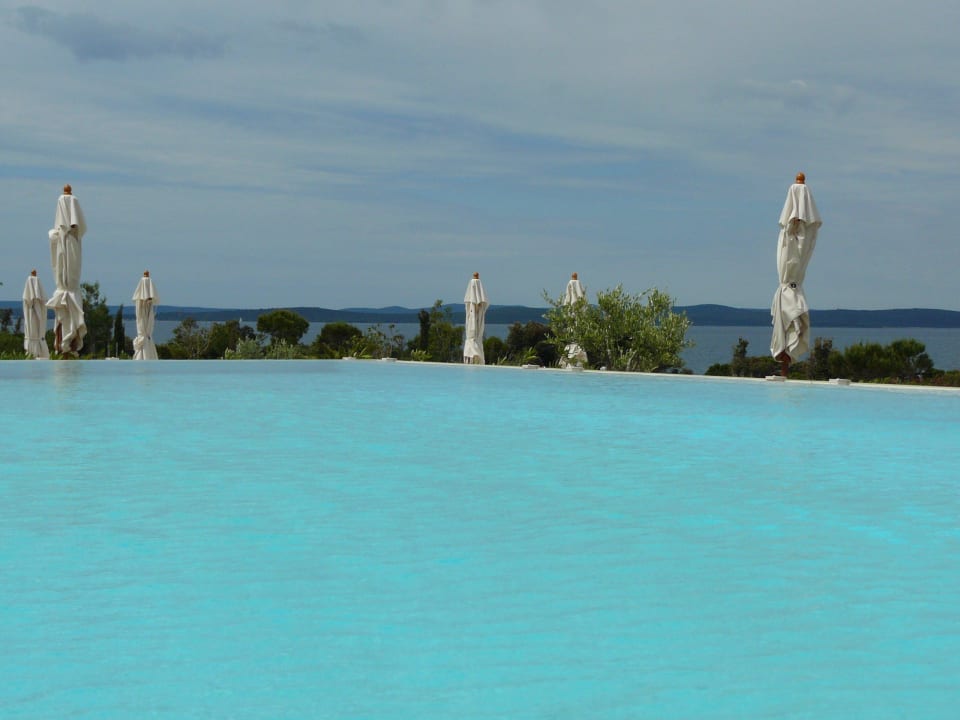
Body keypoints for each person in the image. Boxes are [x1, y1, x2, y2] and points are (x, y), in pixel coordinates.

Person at [770, 172, 822, 377]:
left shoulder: (791, 243)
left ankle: (784, 368)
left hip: (790, 285)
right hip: (790, 286)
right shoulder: (791, 239)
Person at [46, 184, 87, 355]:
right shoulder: (61, 240)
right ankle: (67, 342)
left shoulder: (68, 241)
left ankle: (65, 342)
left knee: (67, 287)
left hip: (67, 287)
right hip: (67, 287)